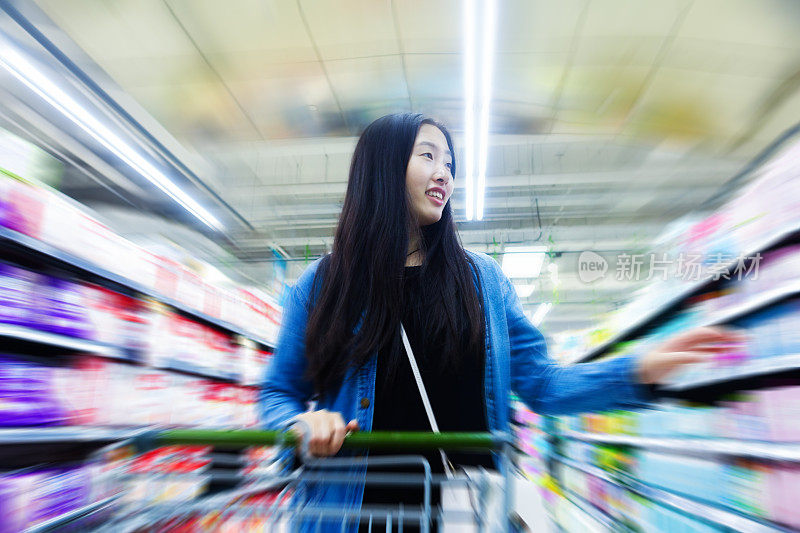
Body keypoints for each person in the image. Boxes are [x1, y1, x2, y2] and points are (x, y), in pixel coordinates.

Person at [259, 113, 742, 532]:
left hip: (466, 515)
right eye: (428, 156)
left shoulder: (482, 280)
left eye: (450, 163)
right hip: (351, 516)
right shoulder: (323, 285)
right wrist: (301, 423)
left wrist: (636, 371)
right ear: (381, 169)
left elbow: (544, 385)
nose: (444, 173)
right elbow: (277, 393)